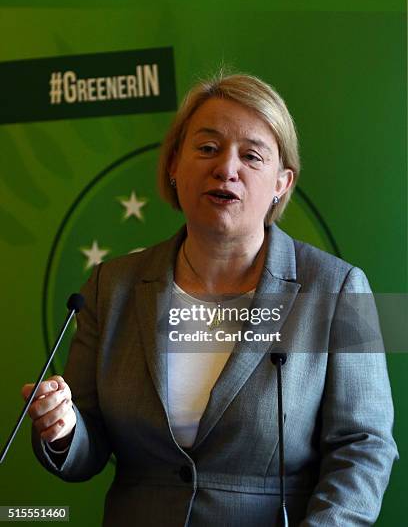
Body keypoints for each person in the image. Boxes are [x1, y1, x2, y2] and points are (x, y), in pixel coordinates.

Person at [22, 73, 398, 526]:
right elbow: (89, 443)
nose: (226, 168)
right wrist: (63, 430)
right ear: (174, 165)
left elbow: (364, 445)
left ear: (281, 182)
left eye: (252, 155)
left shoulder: (339, 289)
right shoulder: (110, 286)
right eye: (207, 148)